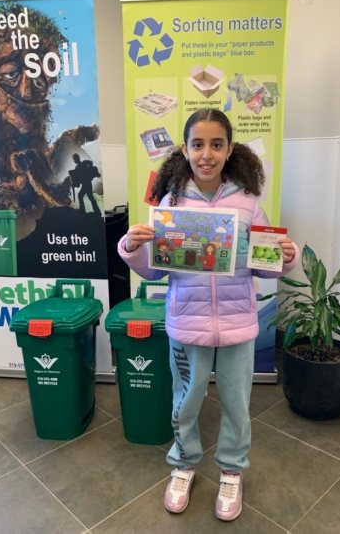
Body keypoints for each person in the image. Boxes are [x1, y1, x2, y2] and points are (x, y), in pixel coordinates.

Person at [118, 108, 298, 521]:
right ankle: (183, 464)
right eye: (198, 144)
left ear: (230, 149)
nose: (207, 154)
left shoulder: (248, 203)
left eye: (217, 144)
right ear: (184, 149)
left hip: (237, 324)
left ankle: (232, 471)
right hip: (186, 323)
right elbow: (155, 268)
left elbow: (263, 263)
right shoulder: (171, 202)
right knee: (186, 402)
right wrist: (132, 247)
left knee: (237, 403)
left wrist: (284, 258)